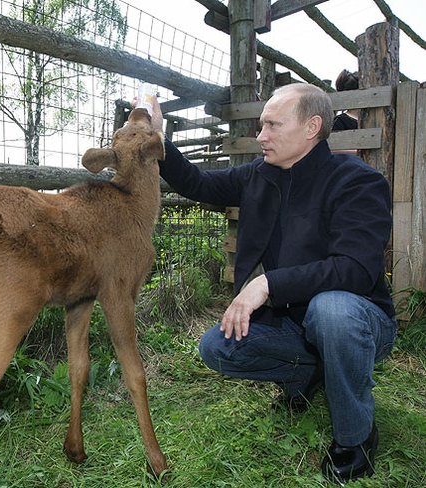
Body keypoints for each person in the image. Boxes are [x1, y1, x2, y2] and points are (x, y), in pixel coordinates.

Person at [148, 83, 397, 484]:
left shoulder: (358, 181)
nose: (261, 136)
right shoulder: (257, 176)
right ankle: (310, 373)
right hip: (290, 325)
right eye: (261, 126)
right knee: (217, 347)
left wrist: (266, 285)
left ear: (312, 127)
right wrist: (157, 136)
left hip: (359, 322)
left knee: (330, 308)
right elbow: (198, 184)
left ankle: (356, 437)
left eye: (272, 125)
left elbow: (355, 270)